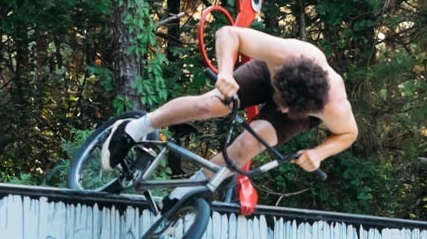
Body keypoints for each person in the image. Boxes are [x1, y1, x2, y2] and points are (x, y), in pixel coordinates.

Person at [102, 26, 359, 178]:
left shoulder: (334, 106)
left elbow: (348, 133)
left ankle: (190, 189)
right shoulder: (284, 53)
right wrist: (225, 72)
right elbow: (228, 34)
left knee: (250, 144)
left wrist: (318, 153)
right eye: (282, 102)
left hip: (303, 104)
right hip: (265, 76)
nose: (281, 109)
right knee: (213, 105)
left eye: (287, 109)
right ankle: (135, 128)